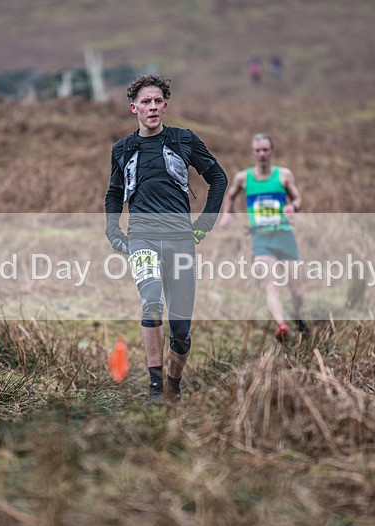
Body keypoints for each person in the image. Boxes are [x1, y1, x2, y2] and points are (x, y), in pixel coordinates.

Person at [104, 74, 227, 405]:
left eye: (158, 101)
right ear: (134, 108)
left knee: (181, 332)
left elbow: (218, 178)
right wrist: (113, 230)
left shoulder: (184, 140)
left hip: (181, 240)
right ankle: (156, 387)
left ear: (165, 105)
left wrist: (204, 225)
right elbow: (115, 193)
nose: (153, 107)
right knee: (152, 301)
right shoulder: (123, 149)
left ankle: (173, 384)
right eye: (146, 102)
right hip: (142, 238)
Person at [219, 133, 308, 341]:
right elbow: (230, 196)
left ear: (272, 152)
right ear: (252, 153)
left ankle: (296, 314)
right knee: (272, 285)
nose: (262, 154)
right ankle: (282, 326)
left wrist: (293, 206)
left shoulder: (284, 175)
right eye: (258, 150)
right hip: (261, 239)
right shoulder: (243, 178)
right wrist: (226, 216)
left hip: (285, 237)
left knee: (297, 291)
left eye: (265, 150)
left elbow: (298, 198)